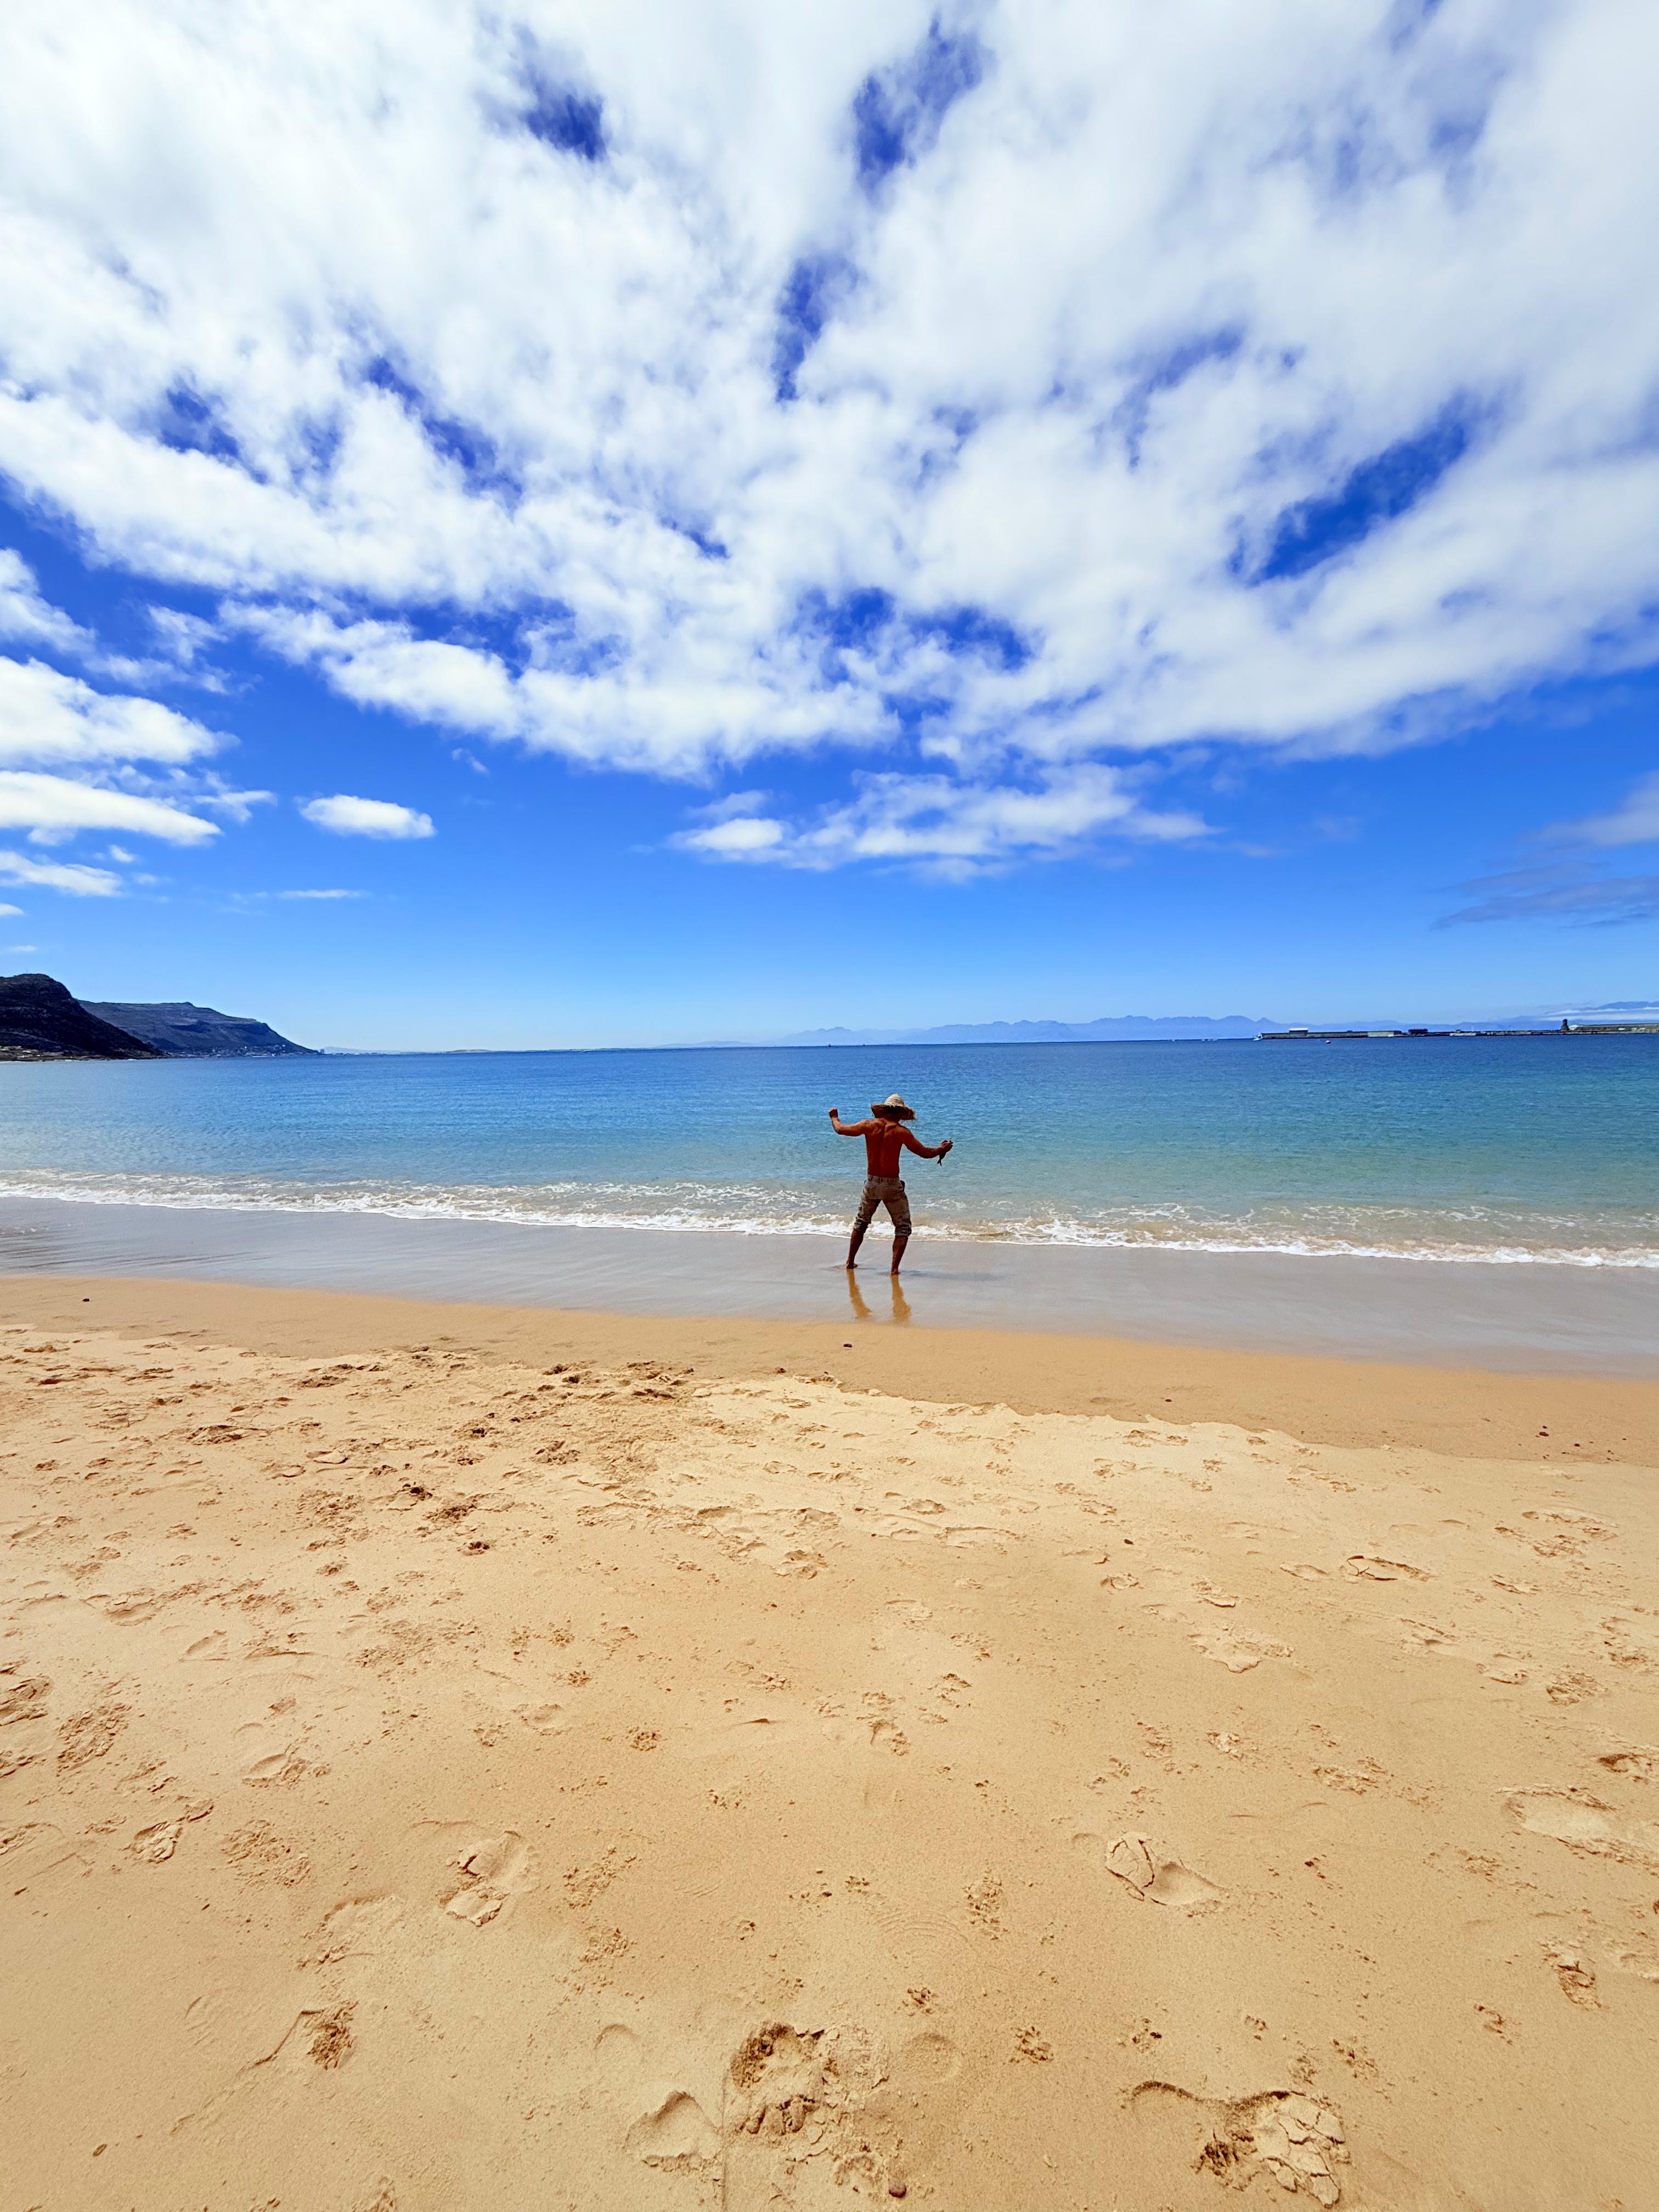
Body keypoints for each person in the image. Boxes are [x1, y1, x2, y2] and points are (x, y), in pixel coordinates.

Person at [828, 1093, 952, 1274]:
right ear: (900, 1113)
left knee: (861, 1223)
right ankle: (894, 1269)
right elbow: (924, 1153)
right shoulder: (901, 1132)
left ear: (884, 1110)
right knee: (903, 1227)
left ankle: (850, 1263)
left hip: (872, 1183)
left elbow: (840, 1129)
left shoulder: (868, 1125)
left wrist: (834, 1117)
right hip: (892, 1185)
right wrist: (942, 1149)